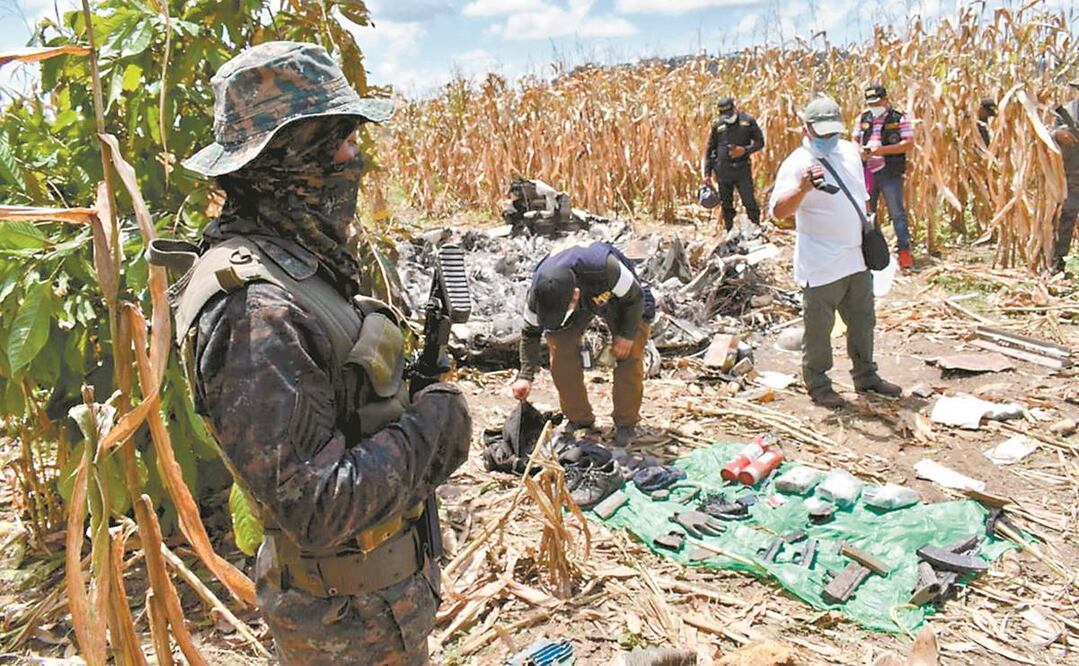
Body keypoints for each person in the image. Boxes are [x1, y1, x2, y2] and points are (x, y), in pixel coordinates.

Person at [174, 42, 472, 665]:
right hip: (344, 629)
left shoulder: (294, 260)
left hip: (373, 611)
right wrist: (435, 428)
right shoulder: (256, 314)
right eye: (340, 142)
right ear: (289, 159)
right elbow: (316, 506)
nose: (355, 162)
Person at [769, 96, 902, 408]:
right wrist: (802, 188)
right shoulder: (797, 164)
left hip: (856, 258)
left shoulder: (848, 152)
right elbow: (777, 211)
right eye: (822, 132)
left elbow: (860, 193)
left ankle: (866, 377)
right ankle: (818, 384)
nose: (829, 138)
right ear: (806, 128)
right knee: (819, 330)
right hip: (821, 264)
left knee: (862, 322)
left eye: (833, 131)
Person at [509, 242, 655, 448]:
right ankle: (579, 420)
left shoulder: (607, 269)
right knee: (560, 353)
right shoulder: (538, 292)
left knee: (629, 354)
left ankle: (626, 423)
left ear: (575, 296)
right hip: (573, 301)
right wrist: (525, 376)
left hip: (621, 299)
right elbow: (530, 333)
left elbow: (636, 298)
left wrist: (627, 335)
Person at [852, 83, 915, 269]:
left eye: (877, 102)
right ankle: (874, 252)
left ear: (886, 100)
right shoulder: (863, 118)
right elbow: (854, 139)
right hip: (867, 172)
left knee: (897, 214)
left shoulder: (899, 118)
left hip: (890, 172)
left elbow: (908, 143)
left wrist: (882, 150)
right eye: (871, 103)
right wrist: (859, 151)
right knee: (868, 214)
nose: (874, 106)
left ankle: (904, 252)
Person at [701, 96, 765, 235]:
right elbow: (711, 149)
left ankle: (756, 229)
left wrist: (744, 150)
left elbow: (760, 142)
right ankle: (730, 232)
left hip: (742, 169)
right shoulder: (718, 125)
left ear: (734, 108)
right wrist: (707, 174)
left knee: (749, 202)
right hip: (723, 171)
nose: (728, 118)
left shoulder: (747, 121)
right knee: (727, 205)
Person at [1051, 78, 1079, 273]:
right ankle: (1057, 263)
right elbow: (1049, 132)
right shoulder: (1066, 111)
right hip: (1072, 173)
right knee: (1066, 218)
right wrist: (1058, 134)